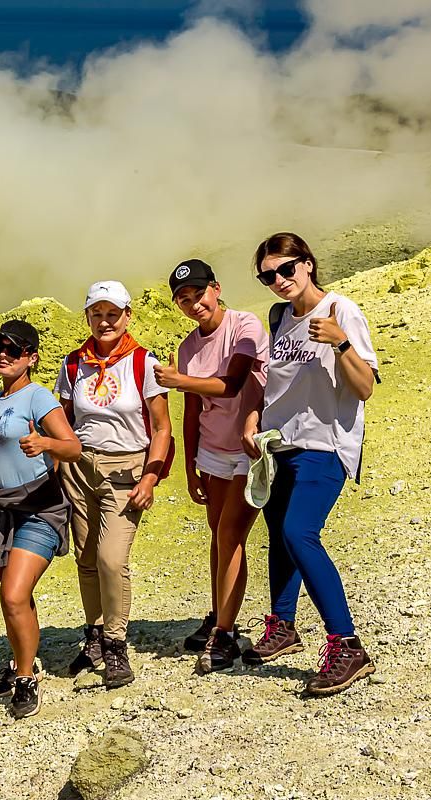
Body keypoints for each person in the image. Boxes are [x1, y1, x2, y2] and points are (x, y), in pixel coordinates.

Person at [241, 232, 379, 696]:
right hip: (280, 445)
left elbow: (365, 388)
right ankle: (283, 626)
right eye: (268, 275)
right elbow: (275, 385)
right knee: (280, 535)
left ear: (308, 263)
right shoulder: (280, 317)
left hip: (325, 445)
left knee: (300, 531)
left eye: (286, 268)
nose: (279, 280)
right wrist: (255, 419)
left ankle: (347, 645)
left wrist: (341, 344)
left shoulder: (341, 312)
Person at [55, 281, 173, 690]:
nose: (104, 322)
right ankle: (94, 636)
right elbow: (64, 420)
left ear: (127, 316)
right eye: (96, 314)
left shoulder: (142, 363)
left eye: (112, 314)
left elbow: (161, 427)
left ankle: (116, 641)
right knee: (86, 560)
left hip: (126, 470)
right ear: (87, 317)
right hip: (79, 466)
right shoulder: (73, 365)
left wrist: (151, 476)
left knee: (111, 559)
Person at [153, 259, 269, 674]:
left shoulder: (245, 326)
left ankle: (223, 633)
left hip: (248, 448)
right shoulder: (187, 348)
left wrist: (179, 381)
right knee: (218, 538)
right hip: (213, 452)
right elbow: (191, 412)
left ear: (216, 288)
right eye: (183, 300)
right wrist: (189, 466)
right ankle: (222, 613)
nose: (193, 304)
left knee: (230, 533)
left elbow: (233, 383)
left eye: (198, 294)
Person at [0, 320, 81, 718]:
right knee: (18, 599)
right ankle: (20, 661)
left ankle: (27, 677)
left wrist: (45, 442)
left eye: (14, 349)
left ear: (31, 357)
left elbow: (73, 447)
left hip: (39, 507)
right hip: (0, 511)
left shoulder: (38, 396)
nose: (3, 355)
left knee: (13, 595)